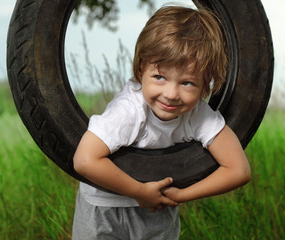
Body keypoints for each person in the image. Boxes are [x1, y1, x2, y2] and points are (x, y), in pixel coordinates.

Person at [72, 5, 251, 240]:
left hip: (157, 207)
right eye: (159, 77)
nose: (171, 93)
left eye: (187, 82)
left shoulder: (197, 114)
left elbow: (238, 169)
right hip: (105, 206)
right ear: (140, 70)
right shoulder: (129, 110)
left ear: (206, 85)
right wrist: (139, 192)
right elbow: (84, 160)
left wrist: (181, 195)